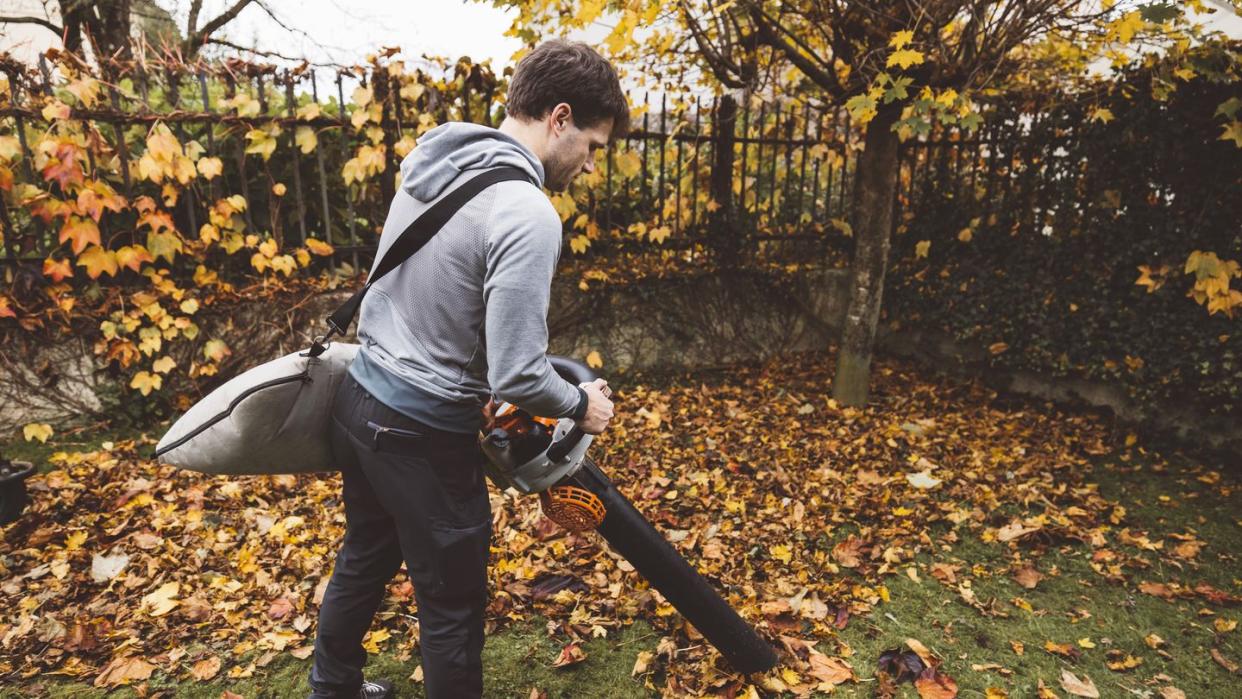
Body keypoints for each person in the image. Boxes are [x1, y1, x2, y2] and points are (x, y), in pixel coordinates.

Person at [307, 39, 629, 699]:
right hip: (420, 434)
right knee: (451, 606)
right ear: (560, 118)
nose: (591, 165)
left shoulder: (438, 160)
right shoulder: (528, 211)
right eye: (594, 146)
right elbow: (519, 376)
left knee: (365, 556)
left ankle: (330, 687)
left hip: (358, 398)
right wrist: (580, 405)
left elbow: (433, 297)